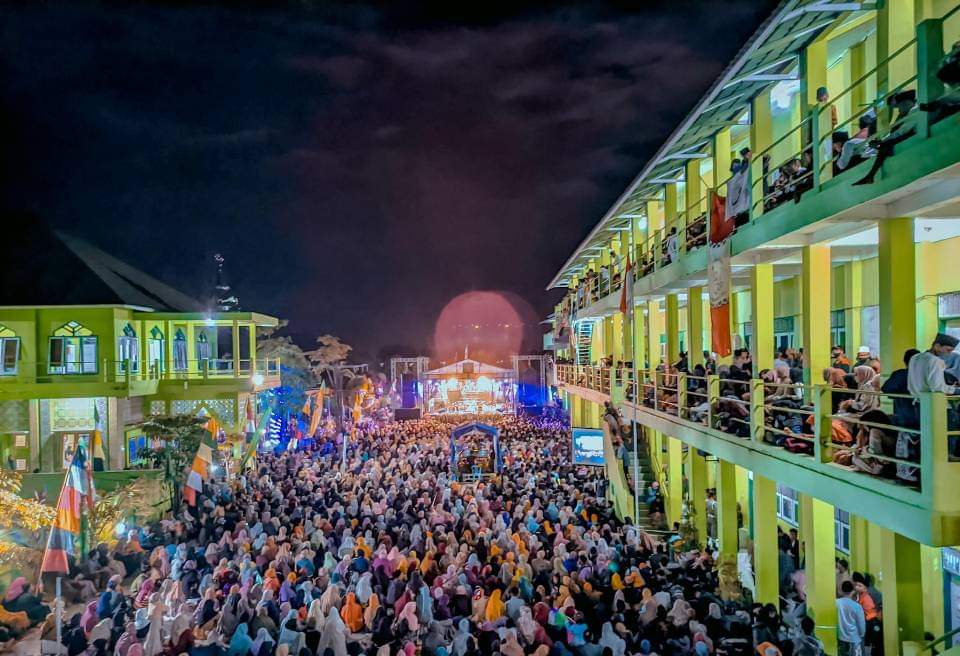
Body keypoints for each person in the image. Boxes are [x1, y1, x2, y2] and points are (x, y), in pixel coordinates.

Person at [837, 581, 866, 656]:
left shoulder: (836, 603)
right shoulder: (857, 606)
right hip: (854, 638)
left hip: (841, 637)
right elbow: (861, 624)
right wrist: (862, 634)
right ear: (853, 591)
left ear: (842, 590)